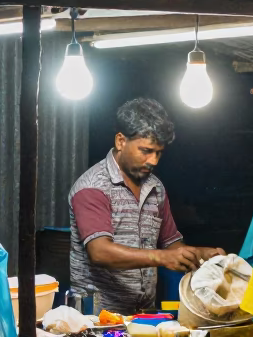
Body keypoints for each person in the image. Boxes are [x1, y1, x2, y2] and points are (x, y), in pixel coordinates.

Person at [68, 98, 224, 314]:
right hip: (96, 319)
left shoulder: (155, 188)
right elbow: (100, 252)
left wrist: (199, 254)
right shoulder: (92, 187)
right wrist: (161, 257)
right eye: (146, 150)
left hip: (143, 315)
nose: (154, 161)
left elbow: (171, 244)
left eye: (159, 153)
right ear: (121, 141)